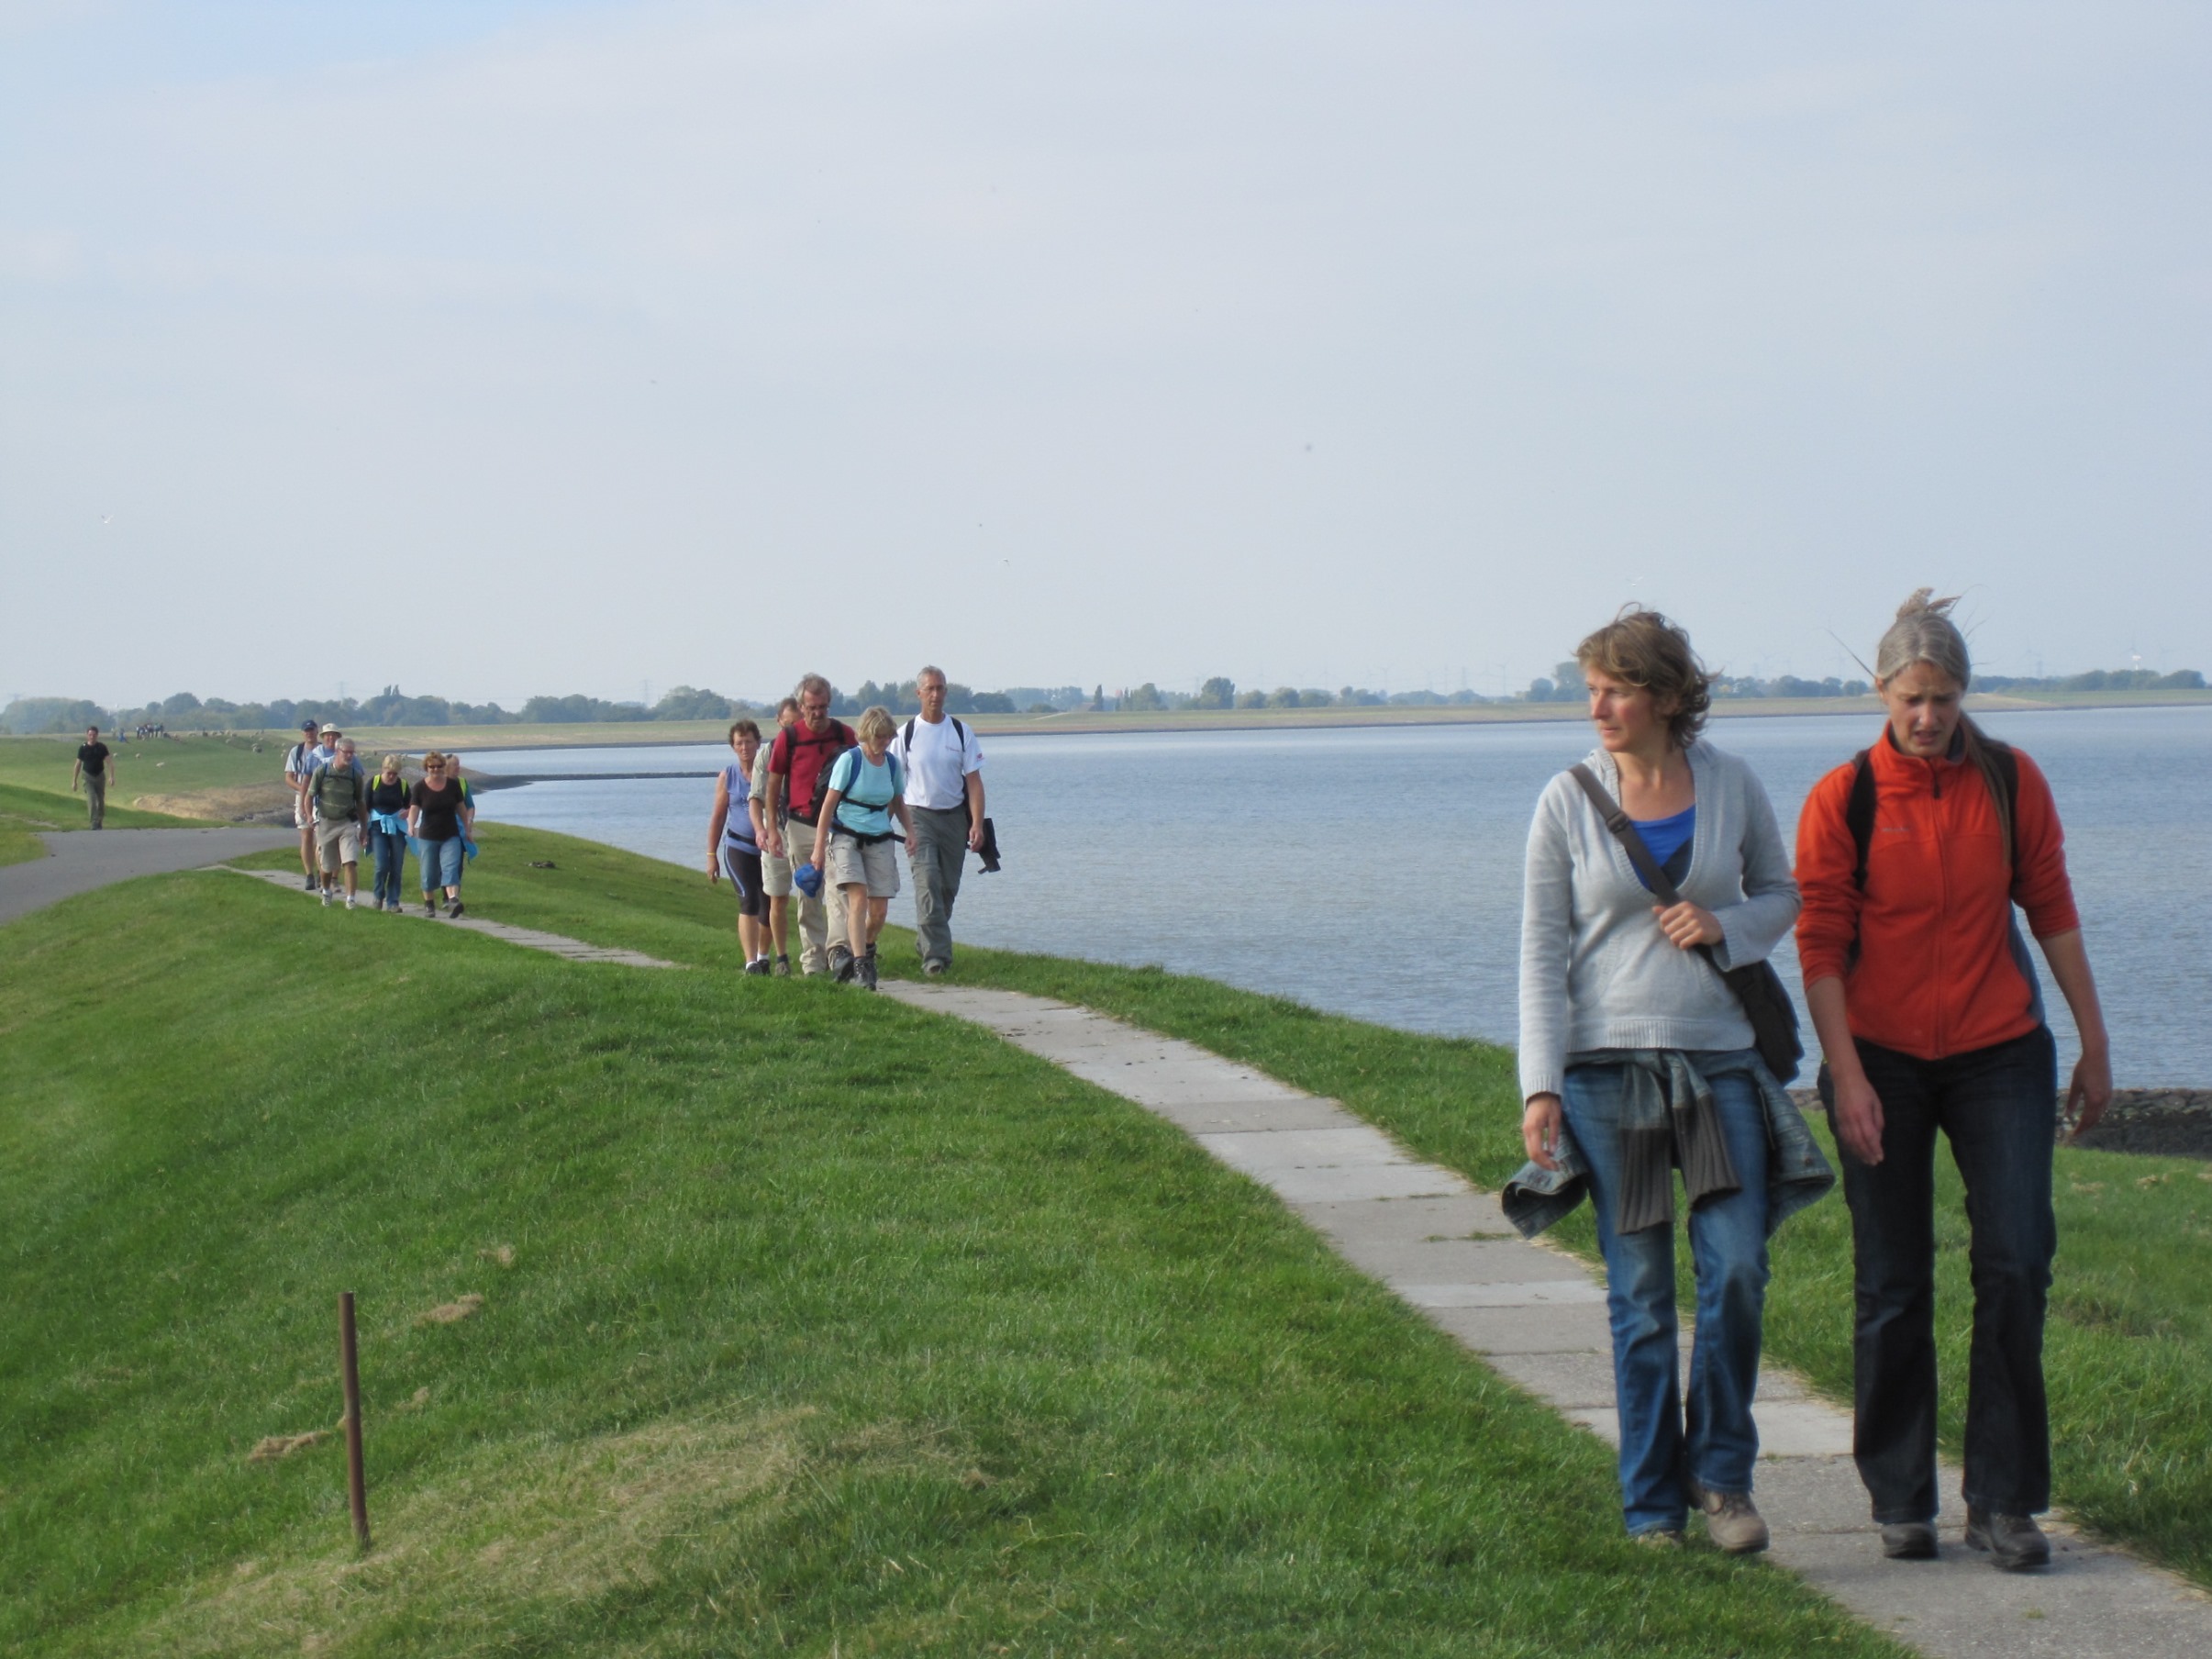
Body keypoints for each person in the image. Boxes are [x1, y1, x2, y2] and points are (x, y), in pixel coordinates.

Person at [1795, 591, 2110, 1572]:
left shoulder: (2010, 782)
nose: (1926, 717)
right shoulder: (1840, 796)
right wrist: (1843, 1076)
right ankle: (1900, 1497)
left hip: (1998, 1049)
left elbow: (2049, 903)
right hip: (1878, 1054)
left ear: (1962, 694)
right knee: (1891, 1280)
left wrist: (2093, 1041)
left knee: (2014, 1260)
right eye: (1909, 698)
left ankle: (2004, 1500)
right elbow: (1819, 945)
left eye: (1942, 698)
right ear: (1880, 691)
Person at [1514, 607, 1822, 1552]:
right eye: (1590, 687)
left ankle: (1720, 1477)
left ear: (1667, 696)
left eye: (1615, 687)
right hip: (1607, 1074)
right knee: (1640, 1295)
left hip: (1720, 1062)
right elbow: (1539, 949)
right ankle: (1651, 1505)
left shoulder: (1730, 783)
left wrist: (1723, 923)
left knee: (1736, 1268)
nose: (1596, 705)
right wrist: (1540, 1084)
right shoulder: (1565, 799)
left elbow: (1782, 891)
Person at [890, 665, 986, 976]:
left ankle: (927, 939)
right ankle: (936, 958)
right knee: (927, 882)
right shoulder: (905, 734)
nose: (935, 694)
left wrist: (977, 824)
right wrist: (883, 824)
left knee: (947, 888)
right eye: (929, 689)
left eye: (940, 688)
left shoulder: (961, 732)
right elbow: (892, 783)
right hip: (917, 817)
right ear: (918, 693)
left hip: (954, 818)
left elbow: (974, 781)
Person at [809, 705, 911, 990]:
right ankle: (862, 965)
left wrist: (911, 834)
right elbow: (829, 805)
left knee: (878, 911)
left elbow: (898, 802)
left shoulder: (891, 764)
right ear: (866, 734)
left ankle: (864, 948)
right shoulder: (850, 760)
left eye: (888, 737)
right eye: (879, 737)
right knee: (859, 898)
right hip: (845, 838)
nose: (883, 743)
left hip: (879, 837)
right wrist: (819, 847)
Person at [762, 675, 857, 975]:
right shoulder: (788, 739)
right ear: (802, 707)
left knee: (839, 889)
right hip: (799, 824)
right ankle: (813, 961)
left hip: (838, 827)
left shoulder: (844, 735)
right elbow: (773, 785)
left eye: (824, 707)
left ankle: (837, 953)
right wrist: (773, 829)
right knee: (808, 892)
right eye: (812, 708)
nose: (818, 714)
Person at [707, 719, 773, 974]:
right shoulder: (728, 776)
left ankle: (763, 956)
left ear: (758, 743)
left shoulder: (770, 773)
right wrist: (711, 855)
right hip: (738, 846)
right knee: (748, 902)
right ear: (733, 747)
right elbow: (718, 817)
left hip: (767, 850)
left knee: (768, 908)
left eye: (748, 741)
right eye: (739, 743)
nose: (744, 747)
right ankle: (750, 962)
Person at [751, 697, 801, 975]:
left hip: (805, 829)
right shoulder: (767, 754)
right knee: (778, 897)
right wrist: (762, 830)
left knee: (811, 896)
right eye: (789, 724)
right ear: (779, 721)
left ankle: (816, 956)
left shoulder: (810, 750)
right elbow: (756, 797)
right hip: (776, 831)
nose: (794, 730)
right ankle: (781, 957)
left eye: (799, 724)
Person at [306, 737, 369, 909]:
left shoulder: (355, 776)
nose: (349, 756)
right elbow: (309, 796)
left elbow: (361, 803)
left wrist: (364, 828)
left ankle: (351, 900)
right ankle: (326, 892)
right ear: (337, 752)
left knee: (350, 861)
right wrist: (309, 816)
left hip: (347, 823)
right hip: (326, 822)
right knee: (327, 866)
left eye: (351, 753)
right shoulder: (322, 771)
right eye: (346, 752)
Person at [408, 751, 474, 918]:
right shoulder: (419, 787)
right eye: (432, 767)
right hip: (428, 835)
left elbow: (461, 808)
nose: (436, 769)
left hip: (450, 834)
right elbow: (414, 809)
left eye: (439, 766)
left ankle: (453, 900)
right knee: (428, 872)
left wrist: (467, 829)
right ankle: (429, 904)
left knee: (451, 867)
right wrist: (411, 825)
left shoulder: (453, 785)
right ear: (426, 768)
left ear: (443, 767)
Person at [365, 754, 413, 913]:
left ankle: (393, 901)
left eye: (395, 773)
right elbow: (365, 807)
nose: (392, 776)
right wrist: (364, 831)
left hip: (397, 827)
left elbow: (411, 805)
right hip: (378, 827)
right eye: (389, 772)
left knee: (396, 865)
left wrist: (408, 813)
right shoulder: (374, 783)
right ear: (383, 769)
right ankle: (378, 895)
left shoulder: (403, 785)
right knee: (381, 865)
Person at [283, 719, 323, 889]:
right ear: (302, 733)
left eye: (312, 730)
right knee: (306, 835)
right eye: (306, 731)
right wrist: (304, 789)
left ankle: (323, 873)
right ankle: (309, 874)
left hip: (322, 797)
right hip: (303, 796)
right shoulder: (297, 752)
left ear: (317, 731)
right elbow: (289, 778)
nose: (309, 733)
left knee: (322, 837)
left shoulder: (323, 751)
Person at [71, 726, 114, 830]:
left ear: (97, 735)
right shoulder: (83, 748)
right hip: (87, 776)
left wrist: (112, 777)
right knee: (92, 799)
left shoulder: (102, 747)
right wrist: (74, 781)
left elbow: (109, 763)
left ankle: (99, 820)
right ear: (87, 735)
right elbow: (78, 765)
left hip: (100, 776)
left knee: (101, 801)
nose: (92, 737)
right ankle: (94, 822)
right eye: (90, 735)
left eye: (94, 735)